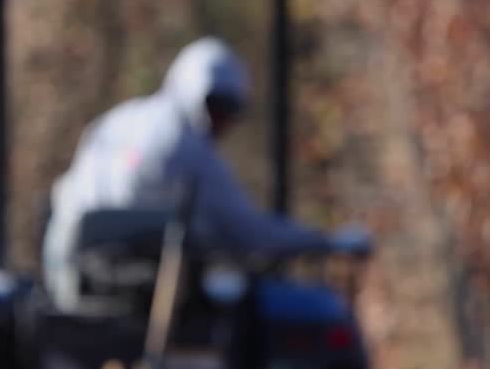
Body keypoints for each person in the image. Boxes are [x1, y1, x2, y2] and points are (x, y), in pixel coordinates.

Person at [41, 36, 368, 311]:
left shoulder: (120, 119)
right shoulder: (185, 144)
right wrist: (325, 242)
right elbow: (244, 230)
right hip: (126, 295)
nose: (221, 122)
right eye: (216, 107)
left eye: (229, 112)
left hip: (67, 281)